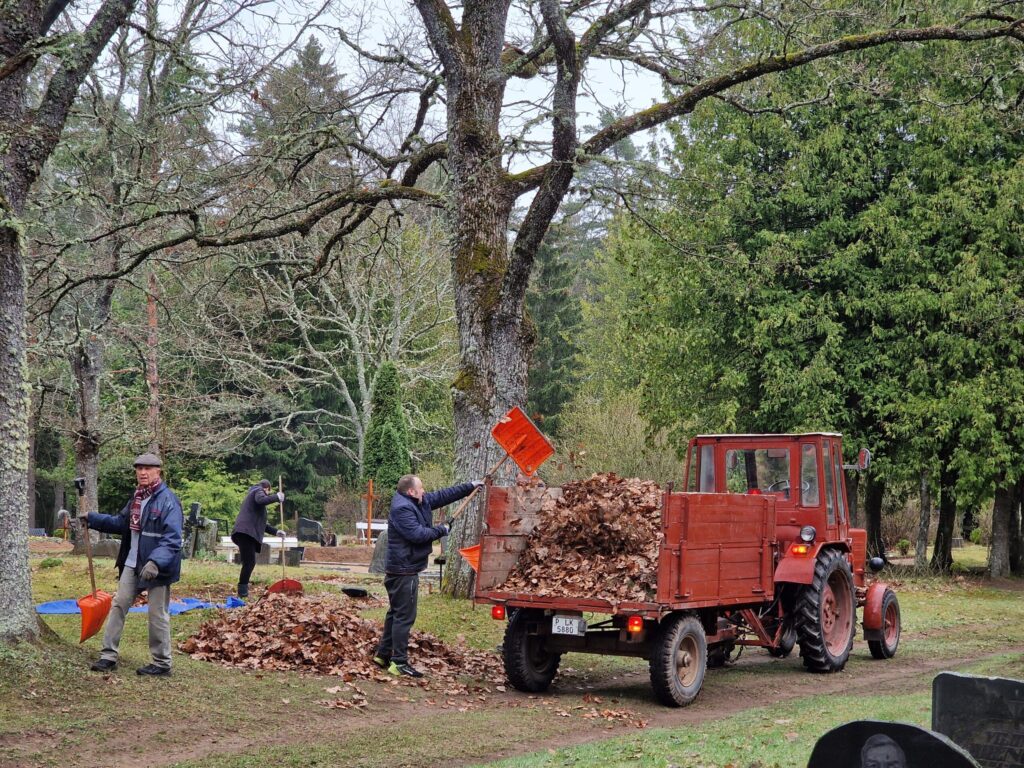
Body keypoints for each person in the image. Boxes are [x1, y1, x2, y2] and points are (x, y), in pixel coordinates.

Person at [83, 453, 183, 676]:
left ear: (159, 471)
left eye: (148, 468)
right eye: (139, 468)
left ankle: (162, 663)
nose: (143, 472)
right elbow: (121, 523)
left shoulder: (169, 501)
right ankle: (108, 656)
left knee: (157, 613)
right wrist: (92, 518)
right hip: (132, 562)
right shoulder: (137, 497)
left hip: (157, 567)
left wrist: (155, 562)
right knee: (118, 605)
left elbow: (173, 538)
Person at [373, 474, 482, 677]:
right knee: (404, 617)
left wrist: (469, 486)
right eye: (421, 488)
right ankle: (398, 662)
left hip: (405, 567)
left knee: (395, 613)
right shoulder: (402, 509)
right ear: (411, 492)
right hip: (403, 571)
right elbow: (418, 535)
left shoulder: (417, 501)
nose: (424, 491)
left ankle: (383, 654)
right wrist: (442, 530)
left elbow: (442, 496)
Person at [231, 479, 286, 597]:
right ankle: (242, 592)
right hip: (245, 532)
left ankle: (243, 590)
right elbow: (261, 499)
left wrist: (276, 532)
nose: (266, 494)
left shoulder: (251, 498)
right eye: (267, 492)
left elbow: (261, 524)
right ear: (266, 488)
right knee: (249, 562)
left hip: (244, 532)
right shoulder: (258, 490)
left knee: (249, 562)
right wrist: (276, 497)